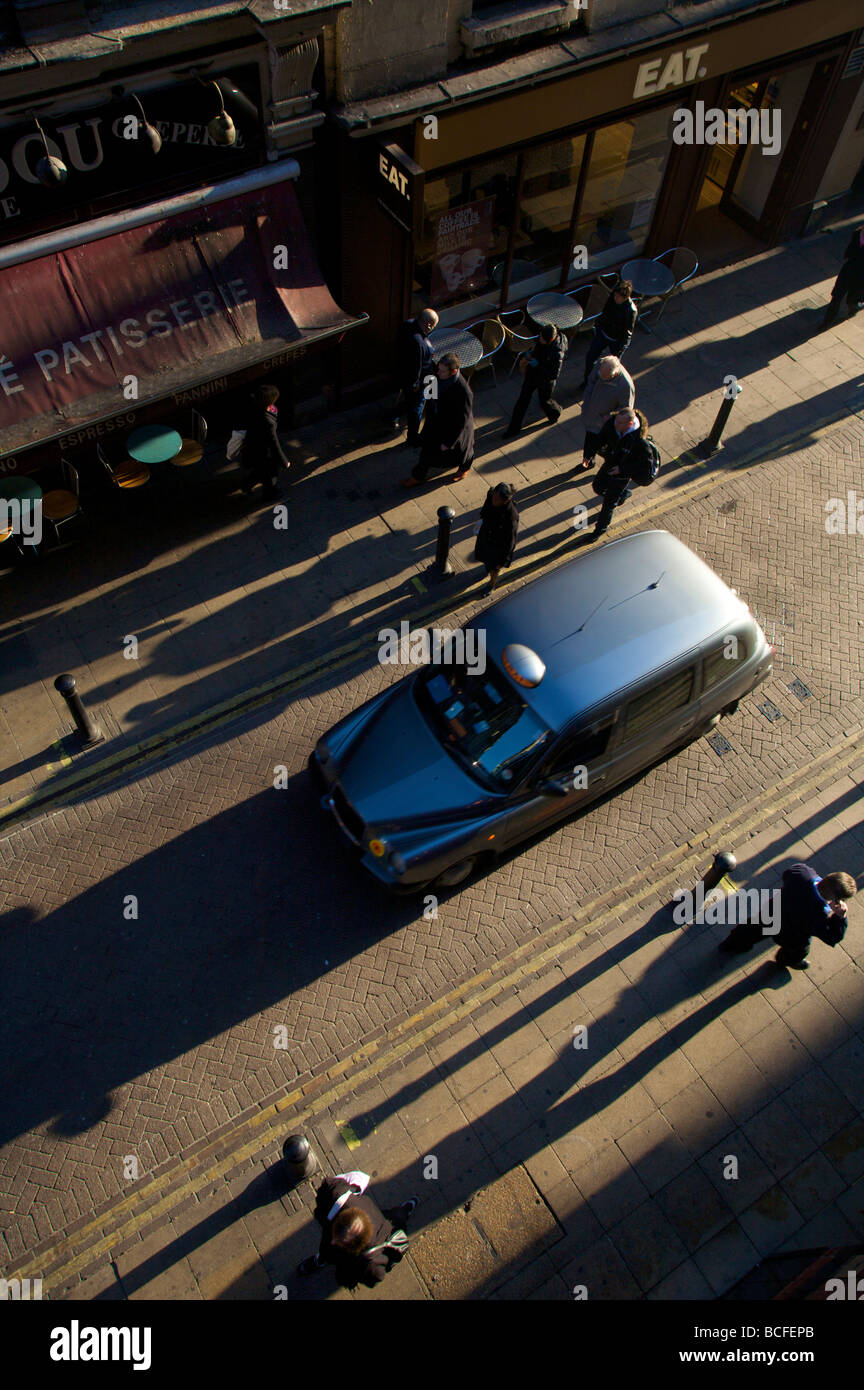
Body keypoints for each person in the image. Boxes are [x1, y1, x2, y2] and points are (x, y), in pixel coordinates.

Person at [297, 1170, 419, 1289]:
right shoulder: (374, 1264)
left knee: (328, 1254)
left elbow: (334, 1184)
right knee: (398, 1216)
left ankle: (319, 1261)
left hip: (352, 1257)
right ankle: (408, 1207)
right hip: (383, 1224)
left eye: (339, 1239)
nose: (333, 1241)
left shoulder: (340, 1196)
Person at [718, 865, 856, 969]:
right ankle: (784, 961)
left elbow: (787, 873)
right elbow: (832, 937)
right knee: (799, 951)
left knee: (749, 930)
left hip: (771, 914)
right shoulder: (818, 917)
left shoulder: (803, 874)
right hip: (792, 936)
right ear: (837, 899)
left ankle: (731, 945)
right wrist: (840, 917)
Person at [402, 353, 475, 486]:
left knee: (464, 451)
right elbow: (431, 396)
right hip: (436, 422)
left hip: (451, 428)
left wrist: (448, 443)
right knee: (426, 452)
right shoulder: (436, 376)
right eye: (439, 369)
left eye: (442, 371)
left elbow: (461, 422)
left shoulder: (463, 392)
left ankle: (464, 468)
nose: (438, 372)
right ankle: (418, 476)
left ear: (453, 372)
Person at [588, 407, 656, 539]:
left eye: (619, 423)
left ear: (629, 424)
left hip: (621, 475)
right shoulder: (613, 423)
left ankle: (600, 529)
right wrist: (590, 454)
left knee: (608, 504)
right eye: (616, 421)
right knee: (597, 486)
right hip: (610, 464)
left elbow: (645, 465)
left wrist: (622, 470)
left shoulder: (640, 443)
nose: (615, 424)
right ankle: (623, 495)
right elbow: (602, 437)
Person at [502, 322, 567, 440]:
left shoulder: (557, 353)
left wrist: (536, 364)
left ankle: (555, 412)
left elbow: (553, 374)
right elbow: (538, 347)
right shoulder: (544, 338)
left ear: (550, 339)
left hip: (545, 380)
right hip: (533, 374)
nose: (539, 339)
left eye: (542, 339)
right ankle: (514, 429)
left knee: (545, 401)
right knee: (523, 400)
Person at [578, 355, 635, 471]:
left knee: (601, 444)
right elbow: (591, 381)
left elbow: (626, 409)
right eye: (600, 374)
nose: (600, 377)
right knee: (589, 440)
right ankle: (588, 460)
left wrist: (609, 417)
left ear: (613, 374)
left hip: (603, 422)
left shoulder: (625, 386)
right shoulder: (601, 365)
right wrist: (587, 400)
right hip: (591, 413)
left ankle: (609, 462)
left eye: (604, 378)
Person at [579, 280, 638, 389]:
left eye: (618, 297)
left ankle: (605, 385)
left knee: (611, 367)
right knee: (590, 357)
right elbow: (605, 312)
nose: (616, 298)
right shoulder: (612, 298)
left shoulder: (630, 311)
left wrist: (620, 349)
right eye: (615, 295)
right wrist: (599, 325)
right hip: (604, 333)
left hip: (616, 340)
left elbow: (627, 333)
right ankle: (588, 381)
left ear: (625, 298)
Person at [394, 308, 439, 445]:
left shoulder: (407, 325)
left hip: (403, 373)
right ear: (429, 325)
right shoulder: (419, 344)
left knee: (422, 400)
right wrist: (415, 384)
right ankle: (413, 436)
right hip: (423, 379)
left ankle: (431, 414)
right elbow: (417, 367)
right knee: (418, 406)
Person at [240, 384, 291, 500]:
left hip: (252, 448)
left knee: (259, 470)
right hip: (263, 452)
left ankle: (247, 484)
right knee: (270, 474)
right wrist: (284, 461)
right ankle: (270, 493)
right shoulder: (268, 422)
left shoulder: (254, 405)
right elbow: (274, 444)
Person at [475, 481, 519, 592]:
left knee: (494, 568)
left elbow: (510, 541)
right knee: (485, 559)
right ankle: (488, 569)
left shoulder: (511, 516)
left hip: (497, 547)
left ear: (506, 501)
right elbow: (485, 508)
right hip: (486, 537)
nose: (493, 501)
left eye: (497, 500)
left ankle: (492, 584)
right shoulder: (491, 496)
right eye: (494, 497)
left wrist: (503, 561)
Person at [821, 226, 864, 331]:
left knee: (853, 299)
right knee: (837, 295)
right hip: (849, 270)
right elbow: (850, 250)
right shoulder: (857, 233)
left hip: (862, 277)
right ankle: (827, 321)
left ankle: (853, 308)